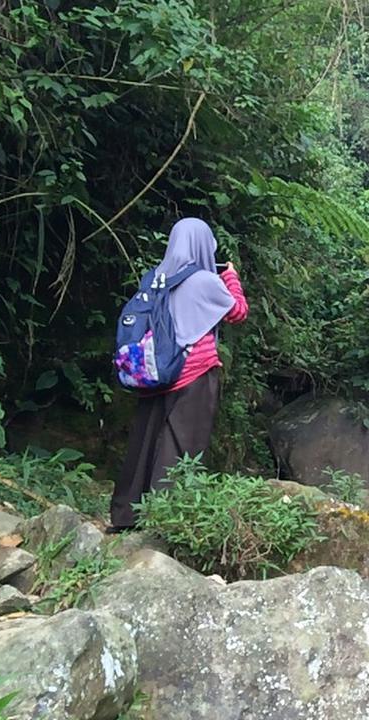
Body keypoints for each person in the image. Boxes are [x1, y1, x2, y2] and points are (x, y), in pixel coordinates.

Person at [109, 218, 248, 532]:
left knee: (144, 441)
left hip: (155, 369)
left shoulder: (157, 277)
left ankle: (125, 516)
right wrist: (231, 277)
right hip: (194, 373)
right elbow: (238, 312)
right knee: (180, 444)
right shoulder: (205, 281)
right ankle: (166, 520)